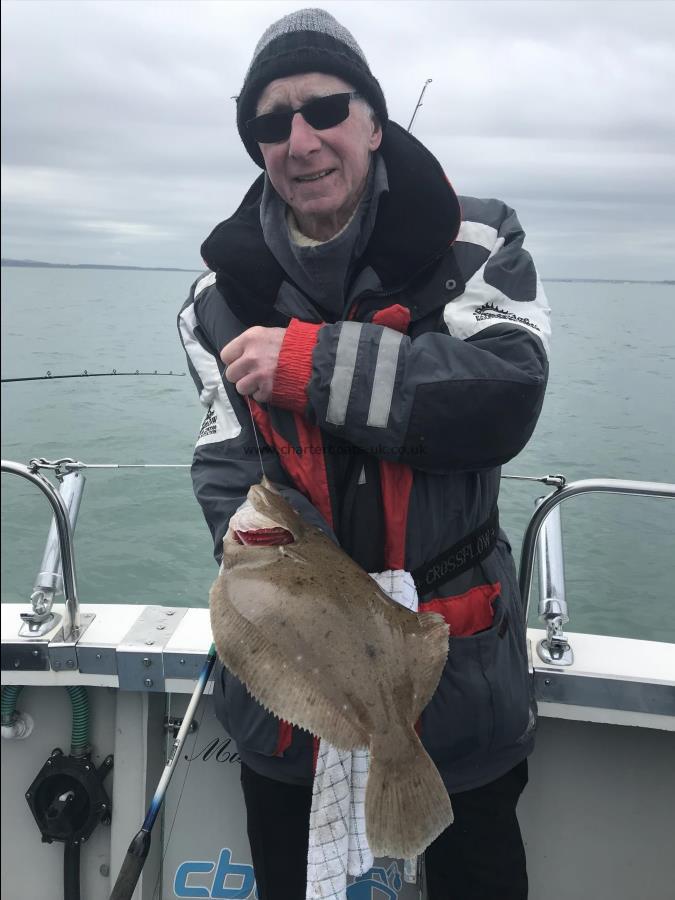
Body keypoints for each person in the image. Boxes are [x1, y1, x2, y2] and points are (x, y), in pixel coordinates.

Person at [178, 8, 550, 899]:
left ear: (374, 122)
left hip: (454, 684)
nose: (299, 140)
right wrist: (261, 551)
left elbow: (506, 395)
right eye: (271, 123)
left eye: (324, 109)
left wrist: (309, 363)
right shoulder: (213, 300)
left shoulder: (477, 246)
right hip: (288, 700)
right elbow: (224, 458)